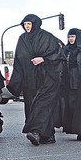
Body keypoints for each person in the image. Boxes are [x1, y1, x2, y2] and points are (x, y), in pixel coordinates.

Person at [8, 14, 63, 145]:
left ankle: (36, 132)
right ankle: (48, 135)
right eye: (25, 24)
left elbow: (59, 54)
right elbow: (19, 60)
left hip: (47, 78)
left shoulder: (47, 37)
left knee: (42, 104)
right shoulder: (22, 39)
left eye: (29, 24)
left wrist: (43, 58)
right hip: (29, 79)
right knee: (32, 105)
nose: (27, 26)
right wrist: (16, 82)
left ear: (35, 24)